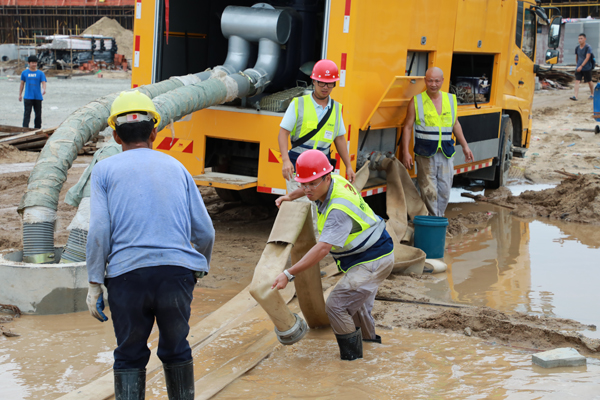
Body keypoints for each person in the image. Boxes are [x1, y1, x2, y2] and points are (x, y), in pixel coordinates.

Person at [85, 90, 215, 400]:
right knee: (176, 349)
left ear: (116, 136)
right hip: (177, 273)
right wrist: (198, 269)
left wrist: (93, 284)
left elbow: (99, 230)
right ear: (154, 131)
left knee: (130, 354)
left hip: (126, 277)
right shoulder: (177, 167)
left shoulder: (104, 170)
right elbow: (205, 232)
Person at [271, 150, 394, 361]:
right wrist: (290, 196)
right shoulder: (333, 179)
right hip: (369, 254)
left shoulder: (338, 209)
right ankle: (370, 351)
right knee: (356, 305)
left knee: (337, 305)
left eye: (312, 183)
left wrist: (289, 274)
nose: (307, 189)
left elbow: (322, 249)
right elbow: (309, 189)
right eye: (303, 183)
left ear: (326, 177)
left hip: (373, 259)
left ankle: (351, 361)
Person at [277, 59, 356, 229]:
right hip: (299, 163)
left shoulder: (335, 108)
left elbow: (340, 138)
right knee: (299, 209)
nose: (325, 87)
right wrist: (285, 160)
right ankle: (300, 249)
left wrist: (348, 165)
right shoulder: (299, 104)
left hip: (322, 168)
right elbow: (283, 132)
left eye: (330, 83)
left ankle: (314, 247)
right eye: (321, 82)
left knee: (319, 210)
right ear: (314, 81)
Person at [401, 67, 474, 217]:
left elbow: (455, 124)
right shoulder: (417, 101)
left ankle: (437, 219)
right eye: (429, 80)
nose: (433, 84)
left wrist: (465, 146)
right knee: (429, 192)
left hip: (446, 153)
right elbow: (407, 127)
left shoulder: (450, 100)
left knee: (445, 192)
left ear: (442, 81)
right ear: (425, 81)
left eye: (436, 81)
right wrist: (405, 152)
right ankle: (435, 223)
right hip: (425, 154)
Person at [19, 55, 47, 129]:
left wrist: (44, 89)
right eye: (32, 63)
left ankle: (37, 129)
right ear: (29, 63)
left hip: (38, 97)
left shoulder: (40, 73)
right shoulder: (24, 73)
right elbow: (22, 83)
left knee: (38, 114)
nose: (34, 64)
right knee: (27, 114)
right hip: (28, 96)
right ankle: (25, 129)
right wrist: (20, 94)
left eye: (35, 63)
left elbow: (43, 82)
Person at [571, 33, 595, 101]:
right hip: (579, 68)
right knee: (577, 81)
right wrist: (577, 65)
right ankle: (575, 96)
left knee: (589, 81)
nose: (580, 40)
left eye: (581, 38)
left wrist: (581, 66)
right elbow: (577, 57)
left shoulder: (588, 47)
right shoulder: (577, 48)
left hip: (587, 67)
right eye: (579, 38)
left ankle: (592, 94)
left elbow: (587, 58)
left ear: (585, 39)